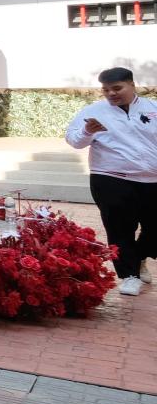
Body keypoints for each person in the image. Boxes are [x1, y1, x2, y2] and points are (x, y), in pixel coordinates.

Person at [65, 66, 157, 297]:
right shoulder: (93, 111)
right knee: (119, 229)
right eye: (106, 90)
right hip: (110, 178)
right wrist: (87, 131)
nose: (111, 94)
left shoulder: (153, 108)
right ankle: (130, 276)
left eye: (117, 88)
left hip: (152, 179)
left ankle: (138, 258)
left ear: (132, 85)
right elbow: (74, 141)